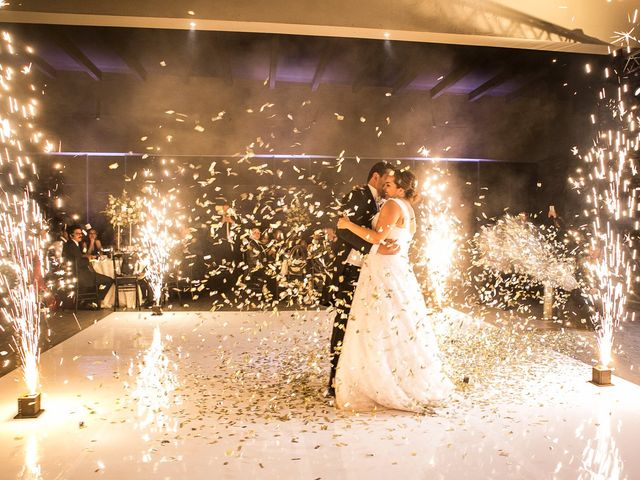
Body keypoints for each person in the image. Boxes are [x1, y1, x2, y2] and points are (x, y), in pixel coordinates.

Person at [335, 168, 453, 412]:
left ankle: (382, 380)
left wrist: (346, 224)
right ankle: (400, 376)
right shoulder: (409, 210)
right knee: (398, 323)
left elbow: (376, 238)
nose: (384, 188)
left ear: (400, 189)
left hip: (384, 271)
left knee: (378, 323)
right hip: (398, 271)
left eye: (389, 184)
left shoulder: (392, 205)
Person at [326, 161, 398, 397]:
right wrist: (375, 249)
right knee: (344, 322)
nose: (389, 186)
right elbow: (343, 229)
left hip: (369, 271)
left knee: (363, 325)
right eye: (386, 181)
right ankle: (334, 379)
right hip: (350, 268)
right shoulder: (358, 194)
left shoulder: (387, 203)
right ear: (375, 177)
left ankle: (359, 377)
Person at [63, 225, 113, 307]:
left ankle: (89, 301)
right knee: (109, 280)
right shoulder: (72, 246)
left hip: (77, 273)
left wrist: (86, 257)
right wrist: (88, 259)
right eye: (77, 234)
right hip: (82, 275)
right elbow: (78, 263)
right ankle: (95, 300)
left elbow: (77, 258)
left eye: (80, 233)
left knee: (100, 279)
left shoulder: (71, 244)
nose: (80, 235)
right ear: (71, 235)